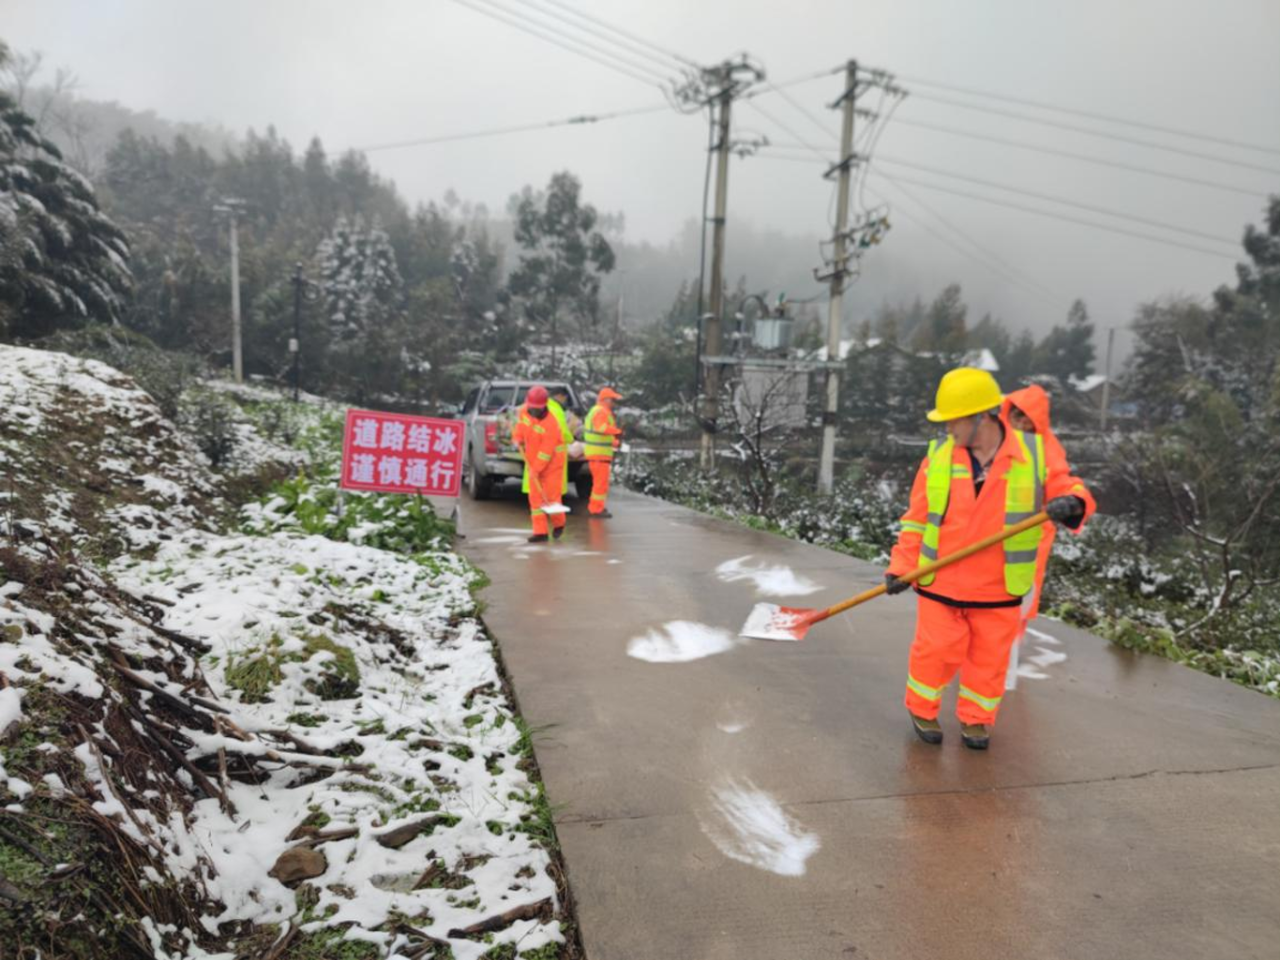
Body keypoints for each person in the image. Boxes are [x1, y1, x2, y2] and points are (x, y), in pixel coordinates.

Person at [884, 368, 1096, 750]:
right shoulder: (939, 457)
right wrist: (901, 566)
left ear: (980, 417)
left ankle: (977, 719)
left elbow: (1069, 485)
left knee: (989, 660)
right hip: (940, 580)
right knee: (935, 651)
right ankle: (922, 708)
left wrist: (1074, 502)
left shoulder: (1033, 454)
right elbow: (916, 520)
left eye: (953, 420)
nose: (948, 428)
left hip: (999, 585)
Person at [1002, 385, 1067, 643]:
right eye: (1018, 417)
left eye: (1029, 420)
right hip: (996, 529)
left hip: (1031, 534)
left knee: (1022, 590)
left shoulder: (1048, 448)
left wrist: (1066, 501)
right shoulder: (997, 441)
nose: (1023, 425)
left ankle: (1010, 646)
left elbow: (1060, 480)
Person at [511, 385, 567, 543]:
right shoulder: (524, 413)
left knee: (551, 498)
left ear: (544, 406)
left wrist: (536, 469)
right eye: (532, 407)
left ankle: (559, 524)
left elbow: (546, 452)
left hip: (552, 465)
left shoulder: (551, 424)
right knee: (535, 499)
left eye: (537, 408)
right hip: (533, 461)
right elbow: (520, 428)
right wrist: (517, 438)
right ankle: (540, 532)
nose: (534, 411)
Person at [583, 387, 623, 519]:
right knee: (600, 484)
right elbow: (601, 428)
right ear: (605, 400)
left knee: (600, 484)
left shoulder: (598, 411)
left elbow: (599, 434)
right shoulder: (601, 412)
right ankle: (596, 509)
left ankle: (597, 507)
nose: (614, 403)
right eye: (613, 400)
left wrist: (614, 442)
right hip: (599, 455)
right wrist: (616, 431)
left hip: (598, 454)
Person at [546, 385, 575, 497]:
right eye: (565, 398)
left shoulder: (544, 407)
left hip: (541, 453)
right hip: (555, 455)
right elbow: (562, 431)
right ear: (560, 396)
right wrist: (571, 439)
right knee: (554, 490)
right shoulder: (556, 410)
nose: (565, 401)